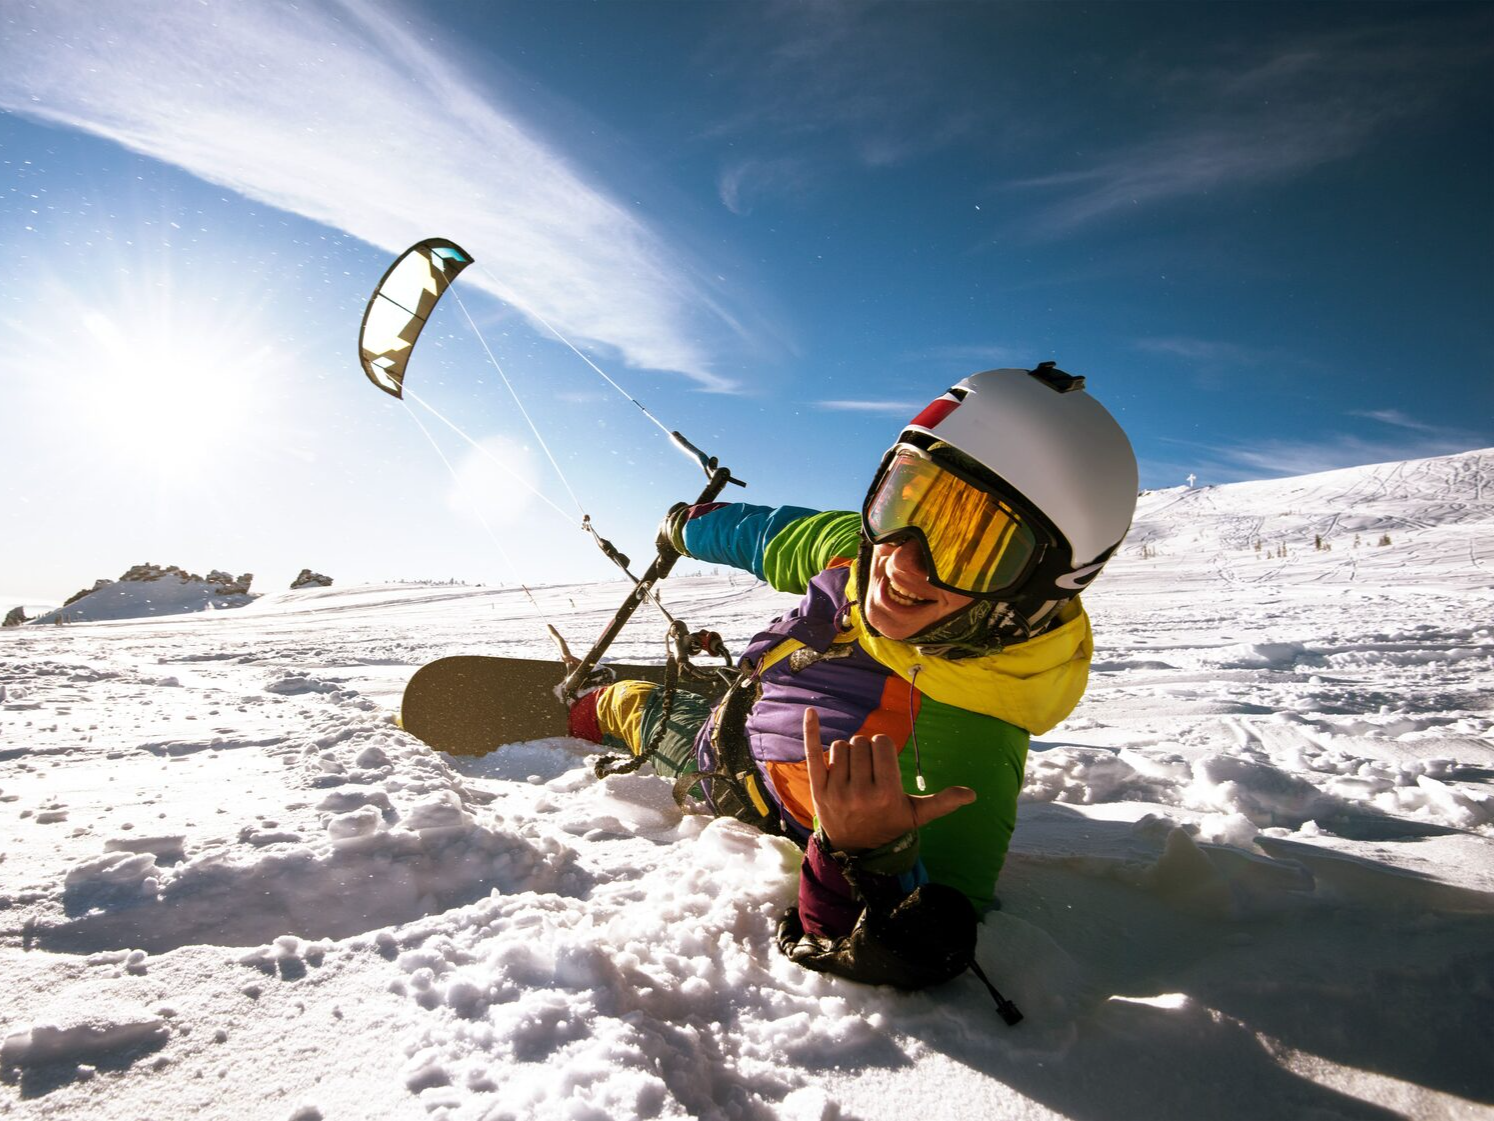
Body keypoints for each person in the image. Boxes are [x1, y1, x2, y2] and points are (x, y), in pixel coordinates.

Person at [567, 363, 1138, 987]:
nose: (904, 563)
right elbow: (768, 535)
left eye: (972, 550)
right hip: (751, 701)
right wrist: (689, 525)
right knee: (662, 697)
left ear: (1034, 591)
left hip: (729, 778)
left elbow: (910, 939)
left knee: (629, 703)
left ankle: (582, 710)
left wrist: (866, 854)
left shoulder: (967, 743)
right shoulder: (860, 553)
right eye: (908, 500)